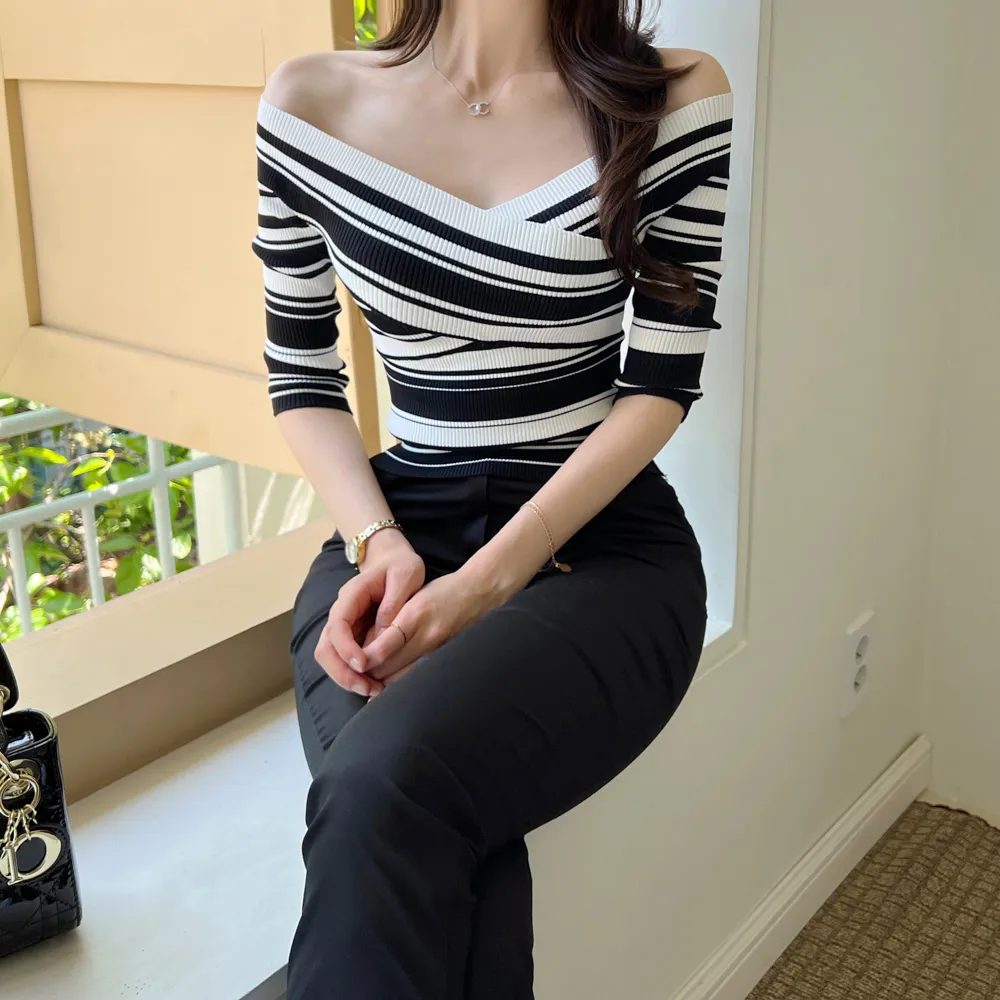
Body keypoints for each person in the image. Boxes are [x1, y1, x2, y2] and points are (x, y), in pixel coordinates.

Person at [251, 1, 732, 995]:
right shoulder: (308, 102)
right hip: (394, 534)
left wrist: (484, 583)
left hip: (598, 546)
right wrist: (378, 542)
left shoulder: (675, 98)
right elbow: (301, 377)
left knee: (385, 789)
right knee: (428, 824)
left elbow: (659, 386)